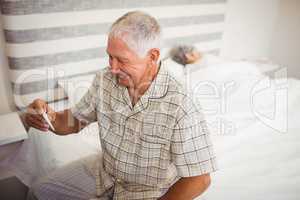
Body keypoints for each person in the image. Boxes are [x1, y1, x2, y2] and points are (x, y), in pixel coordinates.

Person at [25, 11, 217, 200]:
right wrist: (48, 117)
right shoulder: (105, 79)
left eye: (122, 60)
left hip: (148, 191)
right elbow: (74, 121)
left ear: (152, 56)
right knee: (39, 192)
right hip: (105, 172)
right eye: (110, 57)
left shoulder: (181, 102)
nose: (113, 68)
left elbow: (199, 179)